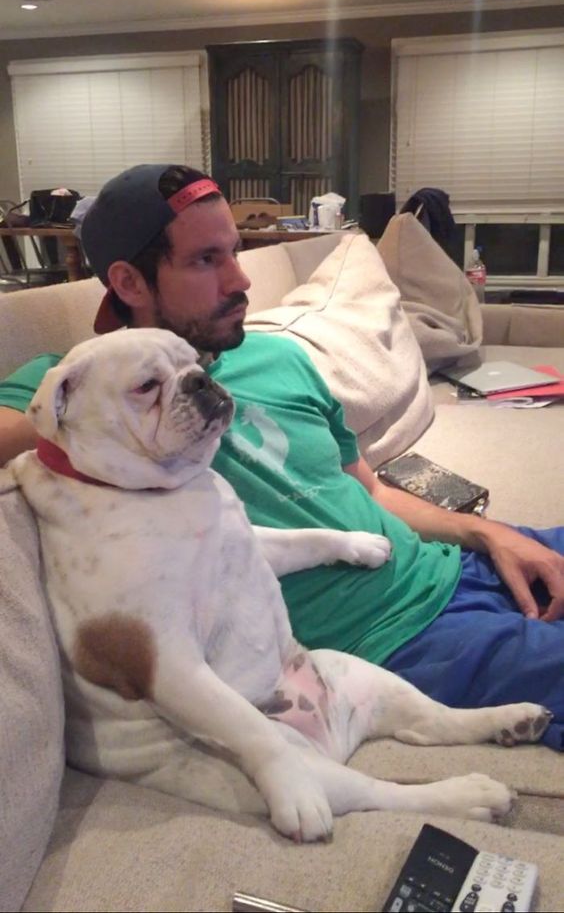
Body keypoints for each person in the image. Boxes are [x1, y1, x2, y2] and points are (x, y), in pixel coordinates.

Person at [0, 163, 562, 751]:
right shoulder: (84, 393)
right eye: (205, 260)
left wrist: (487, 534)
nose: (240, 279)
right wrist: (95, 385)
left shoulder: (280, 357)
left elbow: (370, 492)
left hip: (449, 564)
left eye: (235, 253)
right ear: (130, 283)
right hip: (398, 637)